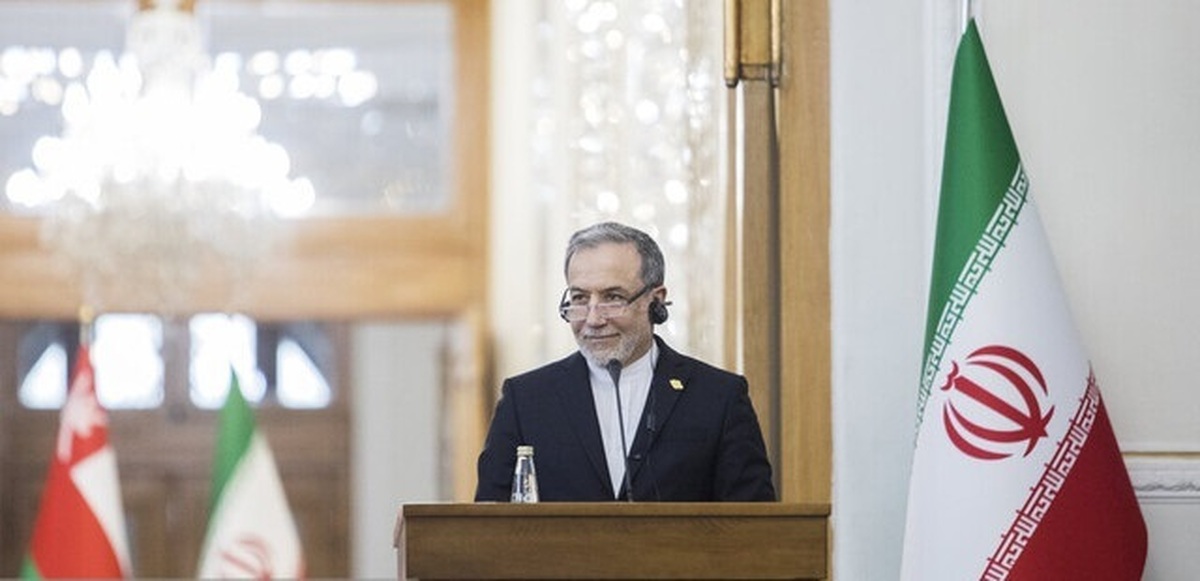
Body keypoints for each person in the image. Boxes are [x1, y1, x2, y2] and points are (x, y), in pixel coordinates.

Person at [475, 221, 776, 502]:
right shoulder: (526, 399)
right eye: (580, 299)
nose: (594, 319)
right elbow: (489, 522)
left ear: (656, 301)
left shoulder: (718, 397)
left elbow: (753, 522)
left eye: (613, 297)